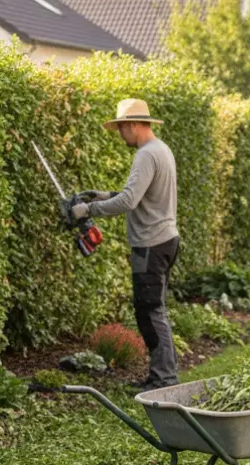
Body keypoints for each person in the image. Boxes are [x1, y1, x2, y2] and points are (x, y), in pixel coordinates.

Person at [70, 98, 180, 391]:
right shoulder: (161, 149)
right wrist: (103, 195)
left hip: (150, 245)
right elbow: (139, 194)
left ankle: (164, 379)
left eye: (121, 129)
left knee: (150, 311)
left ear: (133, 125)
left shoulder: (146, 154)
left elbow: (130, 201)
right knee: (153, 310)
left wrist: (87, 210)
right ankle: (162, 375)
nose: (120, 135)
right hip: (166, 239)